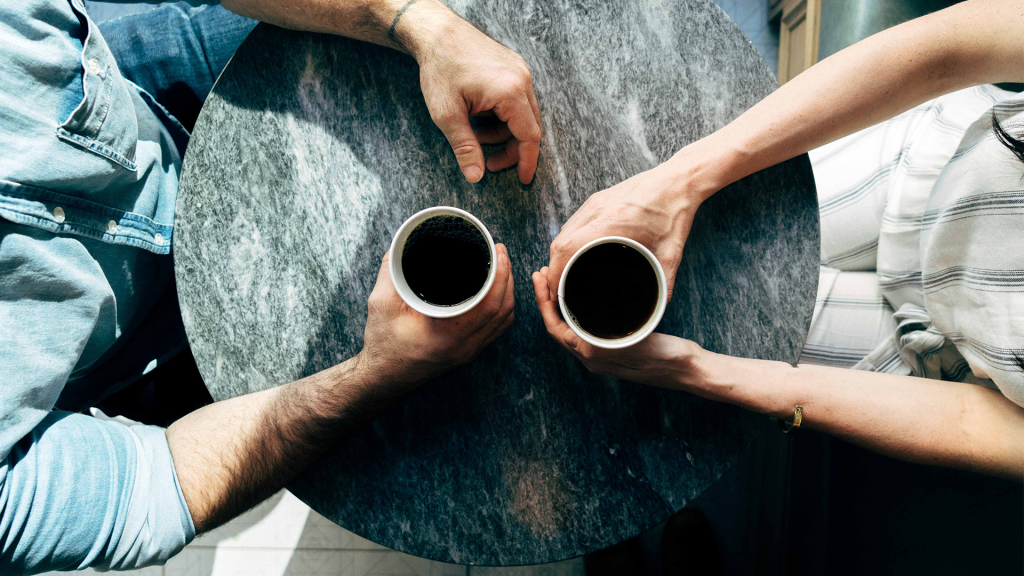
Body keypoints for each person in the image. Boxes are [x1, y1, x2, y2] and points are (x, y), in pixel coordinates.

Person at [0, 0, 537, 571]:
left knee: (476, 43)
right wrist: (378, 373)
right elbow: (142, 495)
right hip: (140, 345)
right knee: (405, 443)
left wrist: (414, 23)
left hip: (128, 93)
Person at [537, 0, 1024, 481]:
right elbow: (950, 49)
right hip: (932, 169)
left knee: (701, 333)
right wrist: (680, 182)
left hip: (949, 362)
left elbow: (979, 428)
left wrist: (695, 369)